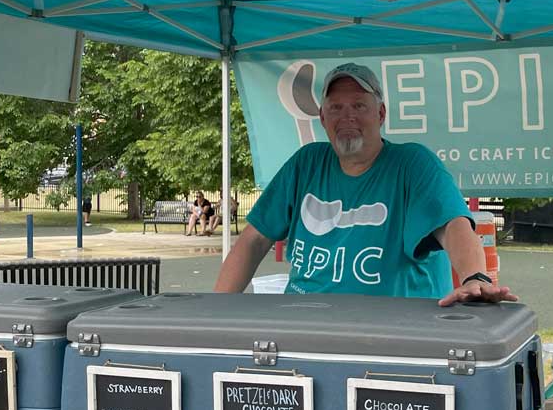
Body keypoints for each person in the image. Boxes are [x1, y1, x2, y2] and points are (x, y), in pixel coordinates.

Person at [215, 63, 516, 306]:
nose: (347, 116)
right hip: (304, 329)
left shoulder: (412, 164)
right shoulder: (306, 163)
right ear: (322, 117)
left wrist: (475, 277)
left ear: (381, 114)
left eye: (359, 106)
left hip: (392, 335)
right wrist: (216, 310)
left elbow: (454, 228)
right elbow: (253, 240)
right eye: (336, 108)